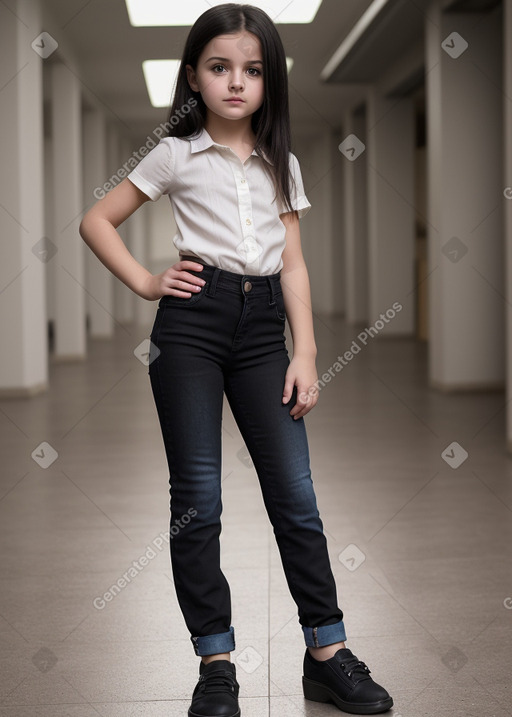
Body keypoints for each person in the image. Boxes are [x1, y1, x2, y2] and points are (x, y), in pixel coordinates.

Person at [79, 3, 393, 715]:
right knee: (199, 499)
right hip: (189, 326)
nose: (235, 82)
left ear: (268, 82)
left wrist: (306, 351)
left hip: (263, 334)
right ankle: (215, 664)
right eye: (219, 68)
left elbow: (294, 265)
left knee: (296, 496)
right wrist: (148, 280)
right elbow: (96, 219)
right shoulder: (173, 152)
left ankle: (328, 652)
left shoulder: (282, 161)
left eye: (252, 70)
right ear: (194, 75)